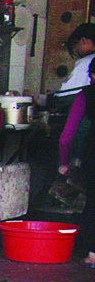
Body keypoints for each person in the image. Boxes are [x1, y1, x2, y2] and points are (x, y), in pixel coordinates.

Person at [58, 57, 95, 267]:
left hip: (93, 151)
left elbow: (67, 136)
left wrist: (64, 163)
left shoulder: (86, 94)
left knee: (93, 203)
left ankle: (93, 255)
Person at [58, 23, 95, 99]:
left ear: (83, 41)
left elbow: (65, 95)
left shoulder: (86, 62)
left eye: (75, 46)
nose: (75, 53)